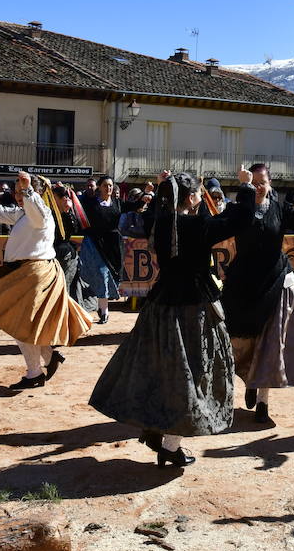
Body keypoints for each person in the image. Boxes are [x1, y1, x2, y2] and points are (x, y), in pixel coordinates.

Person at [90, 171, 237, 467]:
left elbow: (154, 211)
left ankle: (156, 429)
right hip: (194, 306)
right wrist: (247, 189)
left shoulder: (157, 221)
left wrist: (162, 190)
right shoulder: (198, 224)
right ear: (193, 197)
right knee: (192, 372)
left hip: (161, 303)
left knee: (158, 368)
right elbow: (238, 221)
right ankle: (170, 446)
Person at [0, 172, 95, 389]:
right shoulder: (24, 213)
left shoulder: (42, 213)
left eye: (22, 190)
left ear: (39, 192)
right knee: (28, 324)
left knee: (22, 323)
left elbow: (37, 213)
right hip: (27, 273)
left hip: (36, 274)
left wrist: (28, 191)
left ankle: (35, 373)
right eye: (16, 191)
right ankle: (49, 359)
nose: (18, 195)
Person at [223, 163, 294, 427]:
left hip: (273, 283)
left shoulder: (280, 208)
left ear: (270, 184)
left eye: (261, 182)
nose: (257, 187)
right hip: (243, 285)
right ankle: (247, 384)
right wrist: (242, 191)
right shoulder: (240, 207)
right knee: (239, 344)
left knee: (270, 344)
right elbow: (232, 221)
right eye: (253, 183)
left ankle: (263, 404)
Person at [79, 175, 123, 325]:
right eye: (105, 185)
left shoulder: (117, 202)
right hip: (96, 244)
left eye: (110, 185)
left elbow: (133, 207)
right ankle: (104, 312)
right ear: (99, 187)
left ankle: (101, 307)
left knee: (111, 275)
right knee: (102, 275)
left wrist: (146, 196)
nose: (108, 188)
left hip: (113, 245)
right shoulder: (90, 203)